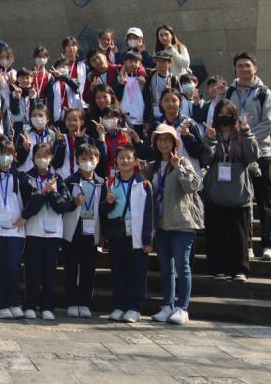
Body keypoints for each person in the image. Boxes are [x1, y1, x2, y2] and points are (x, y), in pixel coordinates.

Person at [145, 123, 204, 325]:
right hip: (161, 224)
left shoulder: (183, 161)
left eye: (167, 140)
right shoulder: (152, 166)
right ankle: (167, 305)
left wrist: (179, 168)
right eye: (160, 139)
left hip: (180, 222)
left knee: (182, 266)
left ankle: (182, 307)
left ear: (174, 143)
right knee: (165, 267)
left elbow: (192, 186)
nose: (163, 143)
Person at [226, 52, 271, 261]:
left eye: (247, 65)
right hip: (236, 155)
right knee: (241, 202)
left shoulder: (264, 93)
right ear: (235, 69)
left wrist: (247, 140)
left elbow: (268, 124)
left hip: (260, 154)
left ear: (255, 68)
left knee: (265, 200)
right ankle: (245, 244)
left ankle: (269, 245)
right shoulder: (229, 92)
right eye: (240, 66)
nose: (244, 69)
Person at [203, 101, 259, 281]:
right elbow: (205, 159)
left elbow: (252, 156)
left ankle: (239, 269)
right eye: (221, 114)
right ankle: (218, 267)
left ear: (235, 116)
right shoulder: (212, 134)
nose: (225, 117)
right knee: (216, 234)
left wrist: (247, 133)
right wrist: (210, 140)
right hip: (216, 191)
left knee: (239, 235)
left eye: (229, 113)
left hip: (238, 191)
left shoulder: (241, 134)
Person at [101, 144, 154, 323]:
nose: (125, 161)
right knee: (118, 272)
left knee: (137, 273)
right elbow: (103, 211)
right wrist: (108, 203)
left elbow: (149, 213)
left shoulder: (144, 184)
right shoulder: (110, 183)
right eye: (121, 157)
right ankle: (120, 305)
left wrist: (148, 239)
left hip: (137, 235)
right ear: (116, 161)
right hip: (117, 234)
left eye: (128, 157)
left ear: (135, 161)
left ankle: (134, 307)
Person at [20, 142, 73, 320]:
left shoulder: (58, 179)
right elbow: (26, 205)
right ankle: (30, 304)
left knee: (49, 271)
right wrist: (43, 193)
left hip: (53, 231)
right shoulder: (27, 178)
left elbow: (63, 206)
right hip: (33, 229)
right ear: (33, 158)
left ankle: (48, 306)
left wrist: (52, 193)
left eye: (46, 156)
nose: (42, 159)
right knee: (32, 269)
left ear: (51, 158)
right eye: (38, 156)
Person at [0, 140, 26, 319]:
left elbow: (30, 199)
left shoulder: (21, 177)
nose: (5, 157)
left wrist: (25, 216)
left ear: (15, 156)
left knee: (13, 267)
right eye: (1, 153)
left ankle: (15, 302)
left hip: (15, 229)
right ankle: (2, 304)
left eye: (8, 153)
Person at [63, 143, 102, 318]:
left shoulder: (101, 182)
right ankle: (71, 302)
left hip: (92, 230)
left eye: (91, 159)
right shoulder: (69, 181)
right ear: (77, 160)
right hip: (73, 230)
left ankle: (85, 302)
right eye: (83, 159)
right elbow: (62, 205)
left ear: (97, 160)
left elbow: (103, 209)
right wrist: (74, 203)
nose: (87, 162)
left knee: (89, 268)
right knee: (71, 267)